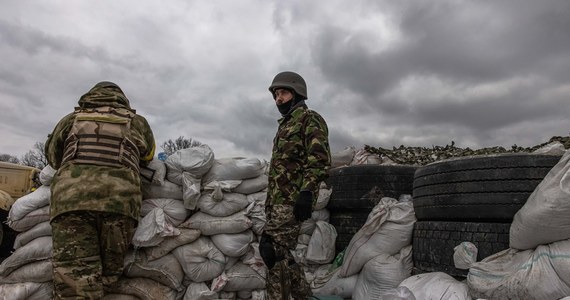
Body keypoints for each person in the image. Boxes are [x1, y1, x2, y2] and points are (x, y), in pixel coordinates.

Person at [45, 81, 155, 299]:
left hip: (71, 203)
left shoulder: (71, 119)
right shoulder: (138, 122)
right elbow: (148, 156)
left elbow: (53, 157)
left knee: (77, 280)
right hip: (120, 205)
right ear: (122, 100)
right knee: (109, 276)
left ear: (91, 96)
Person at [260, 71, 331, 299]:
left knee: (269, 249)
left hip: (292, 201)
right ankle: (303, 296)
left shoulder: (310, 119)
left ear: (297, 93)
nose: (278, 98)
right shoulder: (284, 126)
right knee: (281, 255)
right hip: (277, 201)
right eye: (276, 94)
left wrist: (307, 192)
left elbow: (319, 160)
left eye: (283, 92)